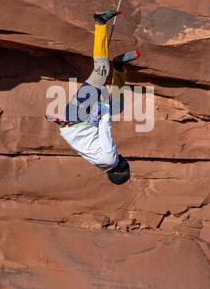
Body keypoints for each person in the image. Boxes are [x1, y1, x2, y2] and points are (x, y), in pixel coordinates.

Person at [48, 10, 141, 185]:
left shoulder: (110, 159)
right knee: (116, 107)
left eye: (127, 166)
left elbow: (105, 127)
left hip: (76, 115)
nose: (127, 162)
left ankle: (100, 23)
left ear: (121, 169)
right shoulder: (100, 163)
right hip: (76, 118)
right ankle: (120, 67)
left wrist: (101, 107)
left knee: (101, 70)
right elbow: (89, 133)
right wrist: (97, 112)